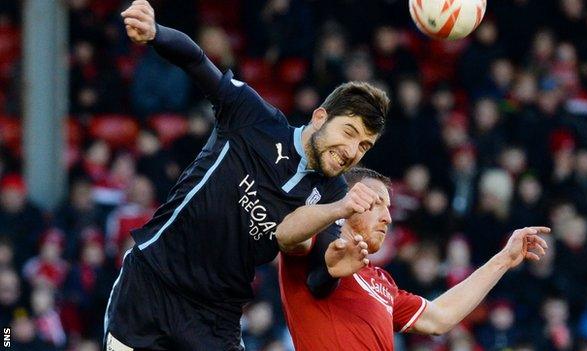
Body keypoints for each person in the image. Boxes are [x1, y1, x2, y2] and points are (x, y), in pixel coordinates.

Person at [104, 1, 388, 350]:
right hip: (152, 284)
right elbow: (196, 61)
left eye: (363, 145)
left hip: (216, 316)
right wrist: (155, 32)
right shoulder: (254, 118)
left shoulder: (334, 193)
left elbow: (317, 279)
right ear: (319, 117)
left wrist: (331, 270)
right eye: (348, 132)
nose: (351, 150)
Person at [278, 167, 550, 350]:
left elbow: (439, 317)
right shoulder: (311, 245)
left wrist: (503, 259)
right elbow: (286, 234)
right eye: (377, 204)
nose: (388, 217)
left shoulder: (381, 281)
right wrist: (335, 211)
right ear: (348, 201)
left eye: (389, 207)